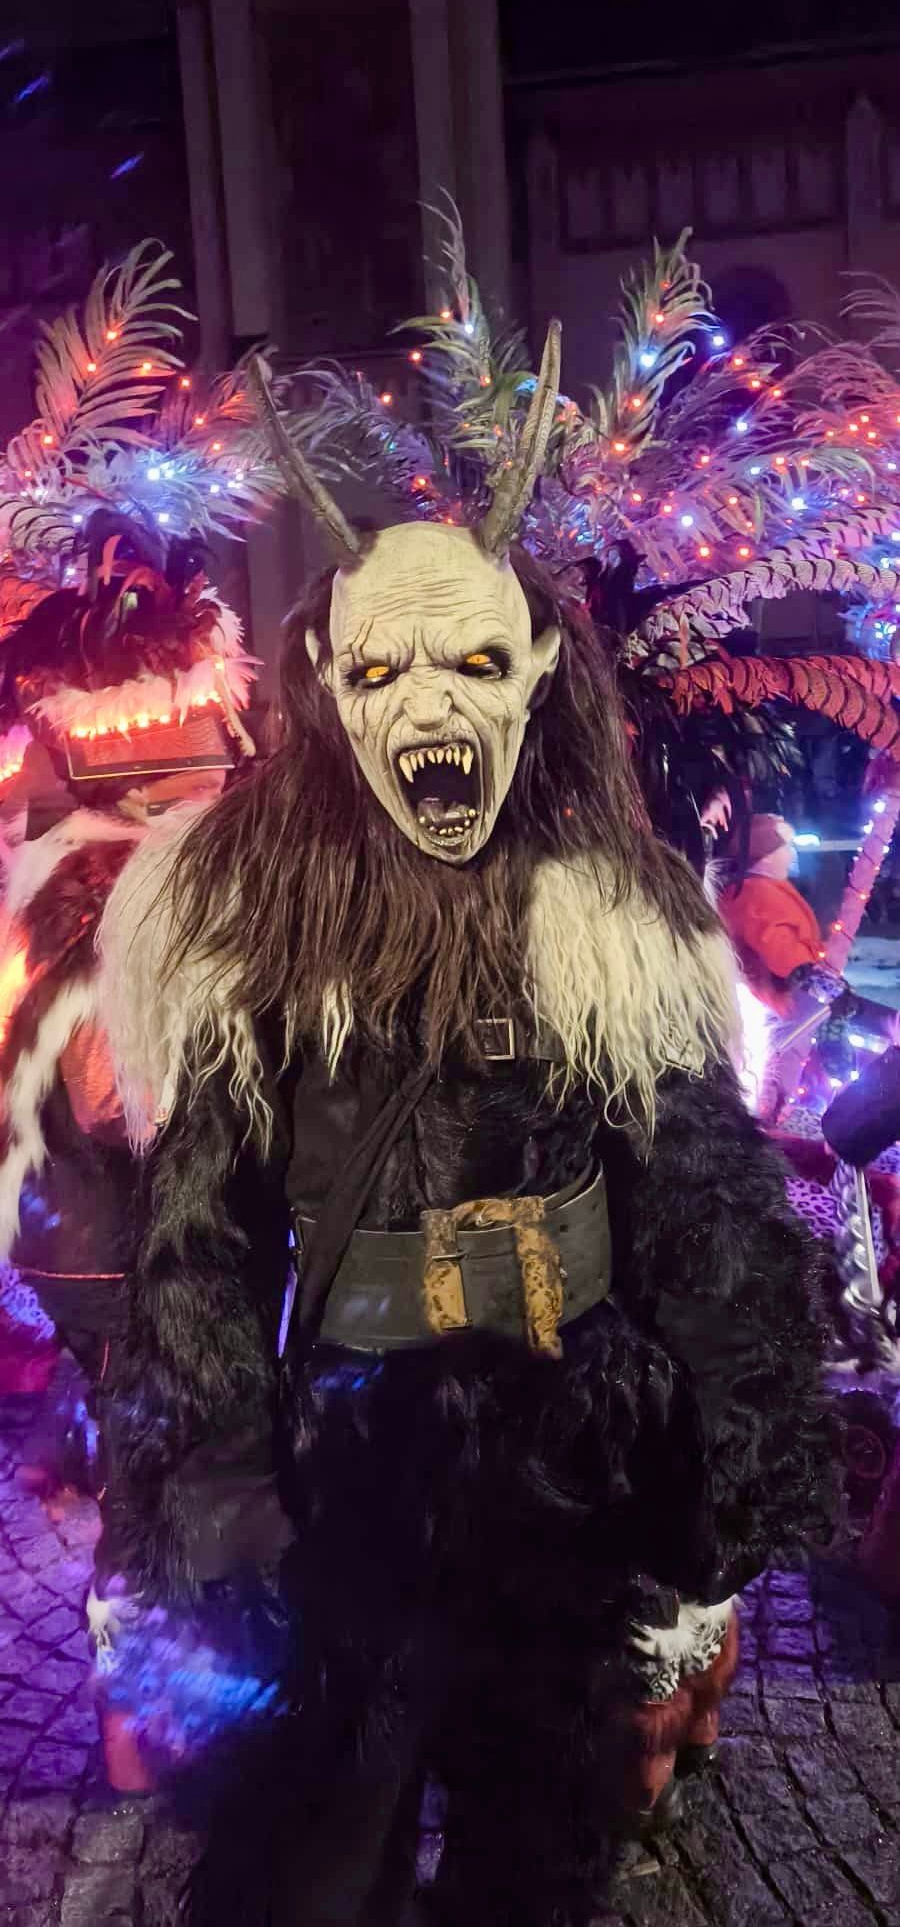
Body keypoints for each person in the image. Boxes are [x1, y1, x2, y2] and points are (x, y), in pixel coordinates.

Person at [95, 346, 835, 1925]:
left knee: (537, 1856)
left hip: (568, 1452)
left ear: (537, 672)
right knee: (319, 1854)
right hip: (346, 1469)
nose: (429, 705)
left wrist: (727, 1470)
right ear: (328, 681)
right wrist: (221, 1497)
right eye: (384, 673)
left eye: (473, 664)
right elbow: (199, 1239)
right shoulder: (254, 919)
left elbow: (700, 1195)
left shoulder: (608, 914)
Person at [0, 510, 256, 1788]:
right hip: (127, 1247)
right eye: (207, 771)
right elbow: (119, 1098)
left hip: (93, 1242)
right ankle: (141, 1729)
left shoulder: (70, 878)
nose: (230, 779)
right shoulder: (116, 898)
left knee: (152, 1459)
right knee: (162, 1475)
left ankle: (150, 1714)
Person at [719, 812, 822, 1013]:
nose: (792, 855)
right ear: (766, 857)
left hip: (783, 1000)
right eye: (787, 848)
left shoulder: (764, 887)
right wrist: (816, 973)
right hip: (776, 1006)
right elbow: (786, 959)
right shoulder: (754, 897)